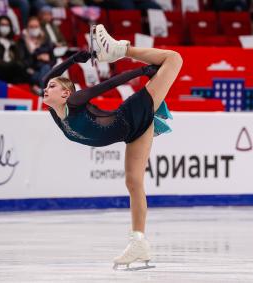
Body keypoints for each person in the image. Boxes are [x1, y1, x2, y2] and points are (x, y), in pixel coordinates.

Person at [42, 24, 183, 269]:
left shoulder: (74, 102)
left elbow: (105, 86)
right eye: (47, 88)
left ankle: (121, 50)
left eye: (52, 87)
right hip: (132, 132)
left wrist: (141, 72)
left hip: (130, 115)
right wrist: (75, 58)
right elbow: (48, 76)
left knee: (174, 59)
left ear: (66, 93)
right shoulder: (55, 112)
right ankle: (138, 242)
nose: (45, 88)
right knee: (133, 182)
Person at [18, 16, 56, 91]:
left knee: (46, 68)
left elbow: (53, 59)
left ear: (40, 27)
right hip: (30, 71)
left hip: (45, 70)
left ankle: (41, 90)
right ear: (27, 28)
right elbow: (22, 61)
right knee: (46, 70)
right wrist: (37, 57)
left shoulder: (45, 40)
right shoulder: (22, 41)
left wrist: (48, 60)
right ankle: (44, 92)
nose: (34, 29)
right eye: (31, 27)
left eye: (36, 26)